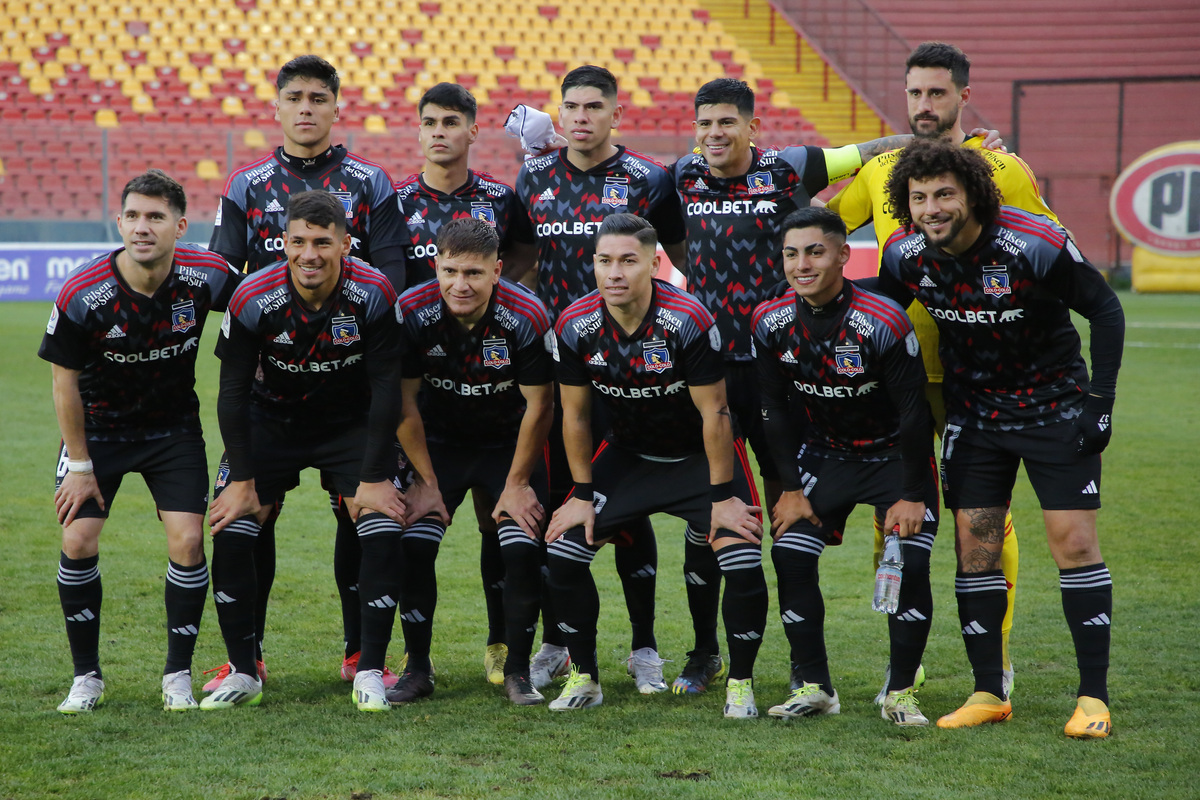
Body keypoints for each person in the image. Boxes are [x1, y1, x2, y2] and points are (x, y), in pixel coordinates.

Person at [827, 43, 1062, 693]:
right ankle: (906, 660)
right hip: (893, 374)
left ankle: (1001, 659)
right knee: (891, 514)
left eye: (936, 94)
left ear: (964, 93)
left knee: (983, 516)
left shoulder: (1002, 170)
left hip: (976, 371)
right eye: (914, 94)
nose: (924, 106)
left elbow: (1049, 253)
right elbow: (822, 227)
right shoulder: (882, 171)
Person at [878, 138, 1123, 737]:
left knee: (1073, 545)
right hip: (975, 419)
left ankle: (1093, 698)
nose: (930, 208)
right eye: (918, 197)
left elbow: (1106, 309)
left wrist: (1101, 401)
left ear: (973, 195)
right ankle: (988, 690)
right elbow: (877, 318)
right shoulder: (906, 255)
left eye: (943, 195)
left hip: (1055, 410)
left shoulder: (1032, 244)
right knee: (976, 549)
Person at [206, 54, 407, 690]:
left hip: (352, 392)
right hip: (272, 388)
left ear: (336, 106)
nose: (306, 108)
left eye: (318, 98)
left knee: (363, 513)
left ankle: (359, 656)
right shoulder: (244, 185)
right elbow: (221, 277)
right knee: (243, 516)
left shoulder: (372, 184)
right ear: (276, 107)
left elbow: (394, 280)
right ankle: (247, 661)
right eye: (294, 97)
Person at [545, 214, 768, 718]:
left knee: (742, 558)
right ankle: (585, 677)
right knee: (563, 552)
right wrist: (581, 494)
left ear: (654, 262)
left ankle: (739, 681)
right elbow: (575, 415)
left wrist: (720, 499)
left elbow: (716, 413)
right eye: (605, 261)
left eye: (628, 260)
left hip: (700, 459)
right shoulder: (575, 324)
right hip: (628, 457)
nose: (615, 273)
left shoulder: (688, 319)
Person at [512, 65, 689, 693]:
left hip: (632, 368)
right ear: (558, 115)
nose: (581, 117)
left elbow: (682, 257)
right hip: (563, 370)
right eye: (571, 107)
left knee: (629, 510)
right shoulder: (533, 175)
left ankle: (645, 648)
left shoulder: (648, 179)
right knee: (566, 508)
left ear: (617, 114)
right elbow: (523, 260)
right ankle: (559, 643)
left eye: (593, 106)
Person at [39, 169, 238, 713]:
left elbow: (254, 314)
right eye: (132, 216)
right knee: (78, 540)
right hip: (98, 434)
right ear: (119, 221)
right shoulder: (84, 292)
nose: (142, 227)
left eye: (155, 217)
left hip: (172, 430)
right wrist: (79, 464)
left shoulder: (208, 275)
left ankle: (178, 676)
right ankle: (87, 678)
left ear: (180, 225)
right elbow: (64, 383)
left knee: (189, 542)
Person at [751, 208, 938, 727]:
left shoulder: (881, 320)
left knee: (911, 564)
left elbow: (913, 413)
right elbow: (773, 410)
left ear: (841, 254)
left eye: (814, 251)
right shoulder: (770, 321)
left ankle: (901, 691)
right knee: (789, 553)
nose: (801, 263)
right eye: (792, 253)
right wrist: (789, 488)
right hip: (825, 456)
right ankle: (815, 686)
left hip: (894, 460)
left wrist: (912, 492)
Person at [394, 83, 539, 683]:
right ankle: (409, 659)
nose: (438, 131)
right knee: (403, 529)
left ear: (473, 130)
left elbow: (529, 252)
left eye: (451, 121)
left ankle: (504, 649)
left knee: (502, 526)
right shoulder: (395, 200)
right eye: (429, 121)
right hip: (432, 397)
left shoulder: (503, 201)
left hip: (500, 398)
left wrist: (489, 296)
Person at [390, 218, 555, 705]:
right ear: (436, 266)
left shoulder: (526, 315)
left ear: (498, 270)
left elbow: (540, 405)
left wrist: (518, 481)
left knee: (521, 546)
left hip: (508, 444)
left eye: (475, 274)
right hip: (438, 445)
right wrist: (424, 480)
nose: (460, 285)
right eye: (451, 271)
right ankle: (417, 668)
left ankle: (517, 670)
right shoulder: (411, 311)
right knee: (415, 544)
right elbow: (404, 403)